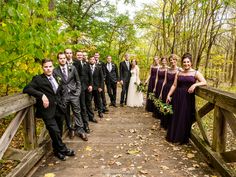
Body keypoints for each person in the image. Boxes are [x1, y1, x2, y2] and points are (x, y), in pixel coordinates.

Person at [23, 59, 75, 161]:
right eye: (46, 67)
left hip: (59, 109)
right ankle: (64, 149)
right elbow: (27, 89)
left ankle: (57, 151)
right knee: (54, 131)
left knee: (59, 131)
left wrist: (63, 102)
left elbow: (60, 91)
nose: (48, 69)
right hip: (47, 111)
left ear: (53, 67)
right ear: (42, 68)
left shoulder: (57, 77)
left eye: (50, 66)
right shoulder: (38, 79)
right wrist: (41, 95)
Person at [166, 53, 207, 144]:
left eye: (188, 62)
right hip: (177, 96)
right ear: (182, 63)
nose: (186, 64)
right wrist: (169, 95)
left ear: (191, 63)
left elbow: (204, 82)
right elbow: (174, 85)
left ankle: (182, 138)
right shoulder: (179, 72)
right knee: (176, 116)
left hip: (188, 98)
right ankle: (173, 136)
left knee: (184, 116)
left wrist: (195, 84)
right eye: (184, 62)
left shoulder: (195, 73)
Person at [54, 52, 88, 141]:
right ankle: (71, 129)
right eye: (60, 58)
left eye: (64, 58)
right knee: (66, 113)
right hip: (63, 96)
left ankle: (80, 130)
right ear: (58, 60)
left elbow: (78, 81)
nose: (62, 60)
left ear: (66, 59)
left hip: (74, 94)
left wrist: (78, 92)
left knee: (77, 111)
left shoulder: (72, 68)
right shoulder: (55, 71)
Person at [74, 51, 97, 134]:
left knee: (87, 104)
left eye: (81, 55)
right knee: (81, 107)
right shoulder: (74, 64)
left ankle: (89, 120)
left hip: (87, 87)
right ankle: (83, 125)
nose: (80, 56)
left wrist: (91, 84)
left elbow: (90, 75)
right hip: (79, 89)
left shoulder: (86, 63)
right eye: (78, 55)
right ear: (76, 56)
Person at [159, 54, 180, 130]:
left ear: (176, 60)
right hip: (166, 89)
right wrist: (161, 92)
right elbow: (164, 81)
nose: (172, 61)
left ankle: (171, 124)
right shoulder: (167, 69)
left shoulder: (179, 70)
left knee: (172, 106)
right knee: (165, 105)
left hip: (174, 90)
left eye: (174, 59)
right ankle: (164, 123)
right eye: (171, 60)